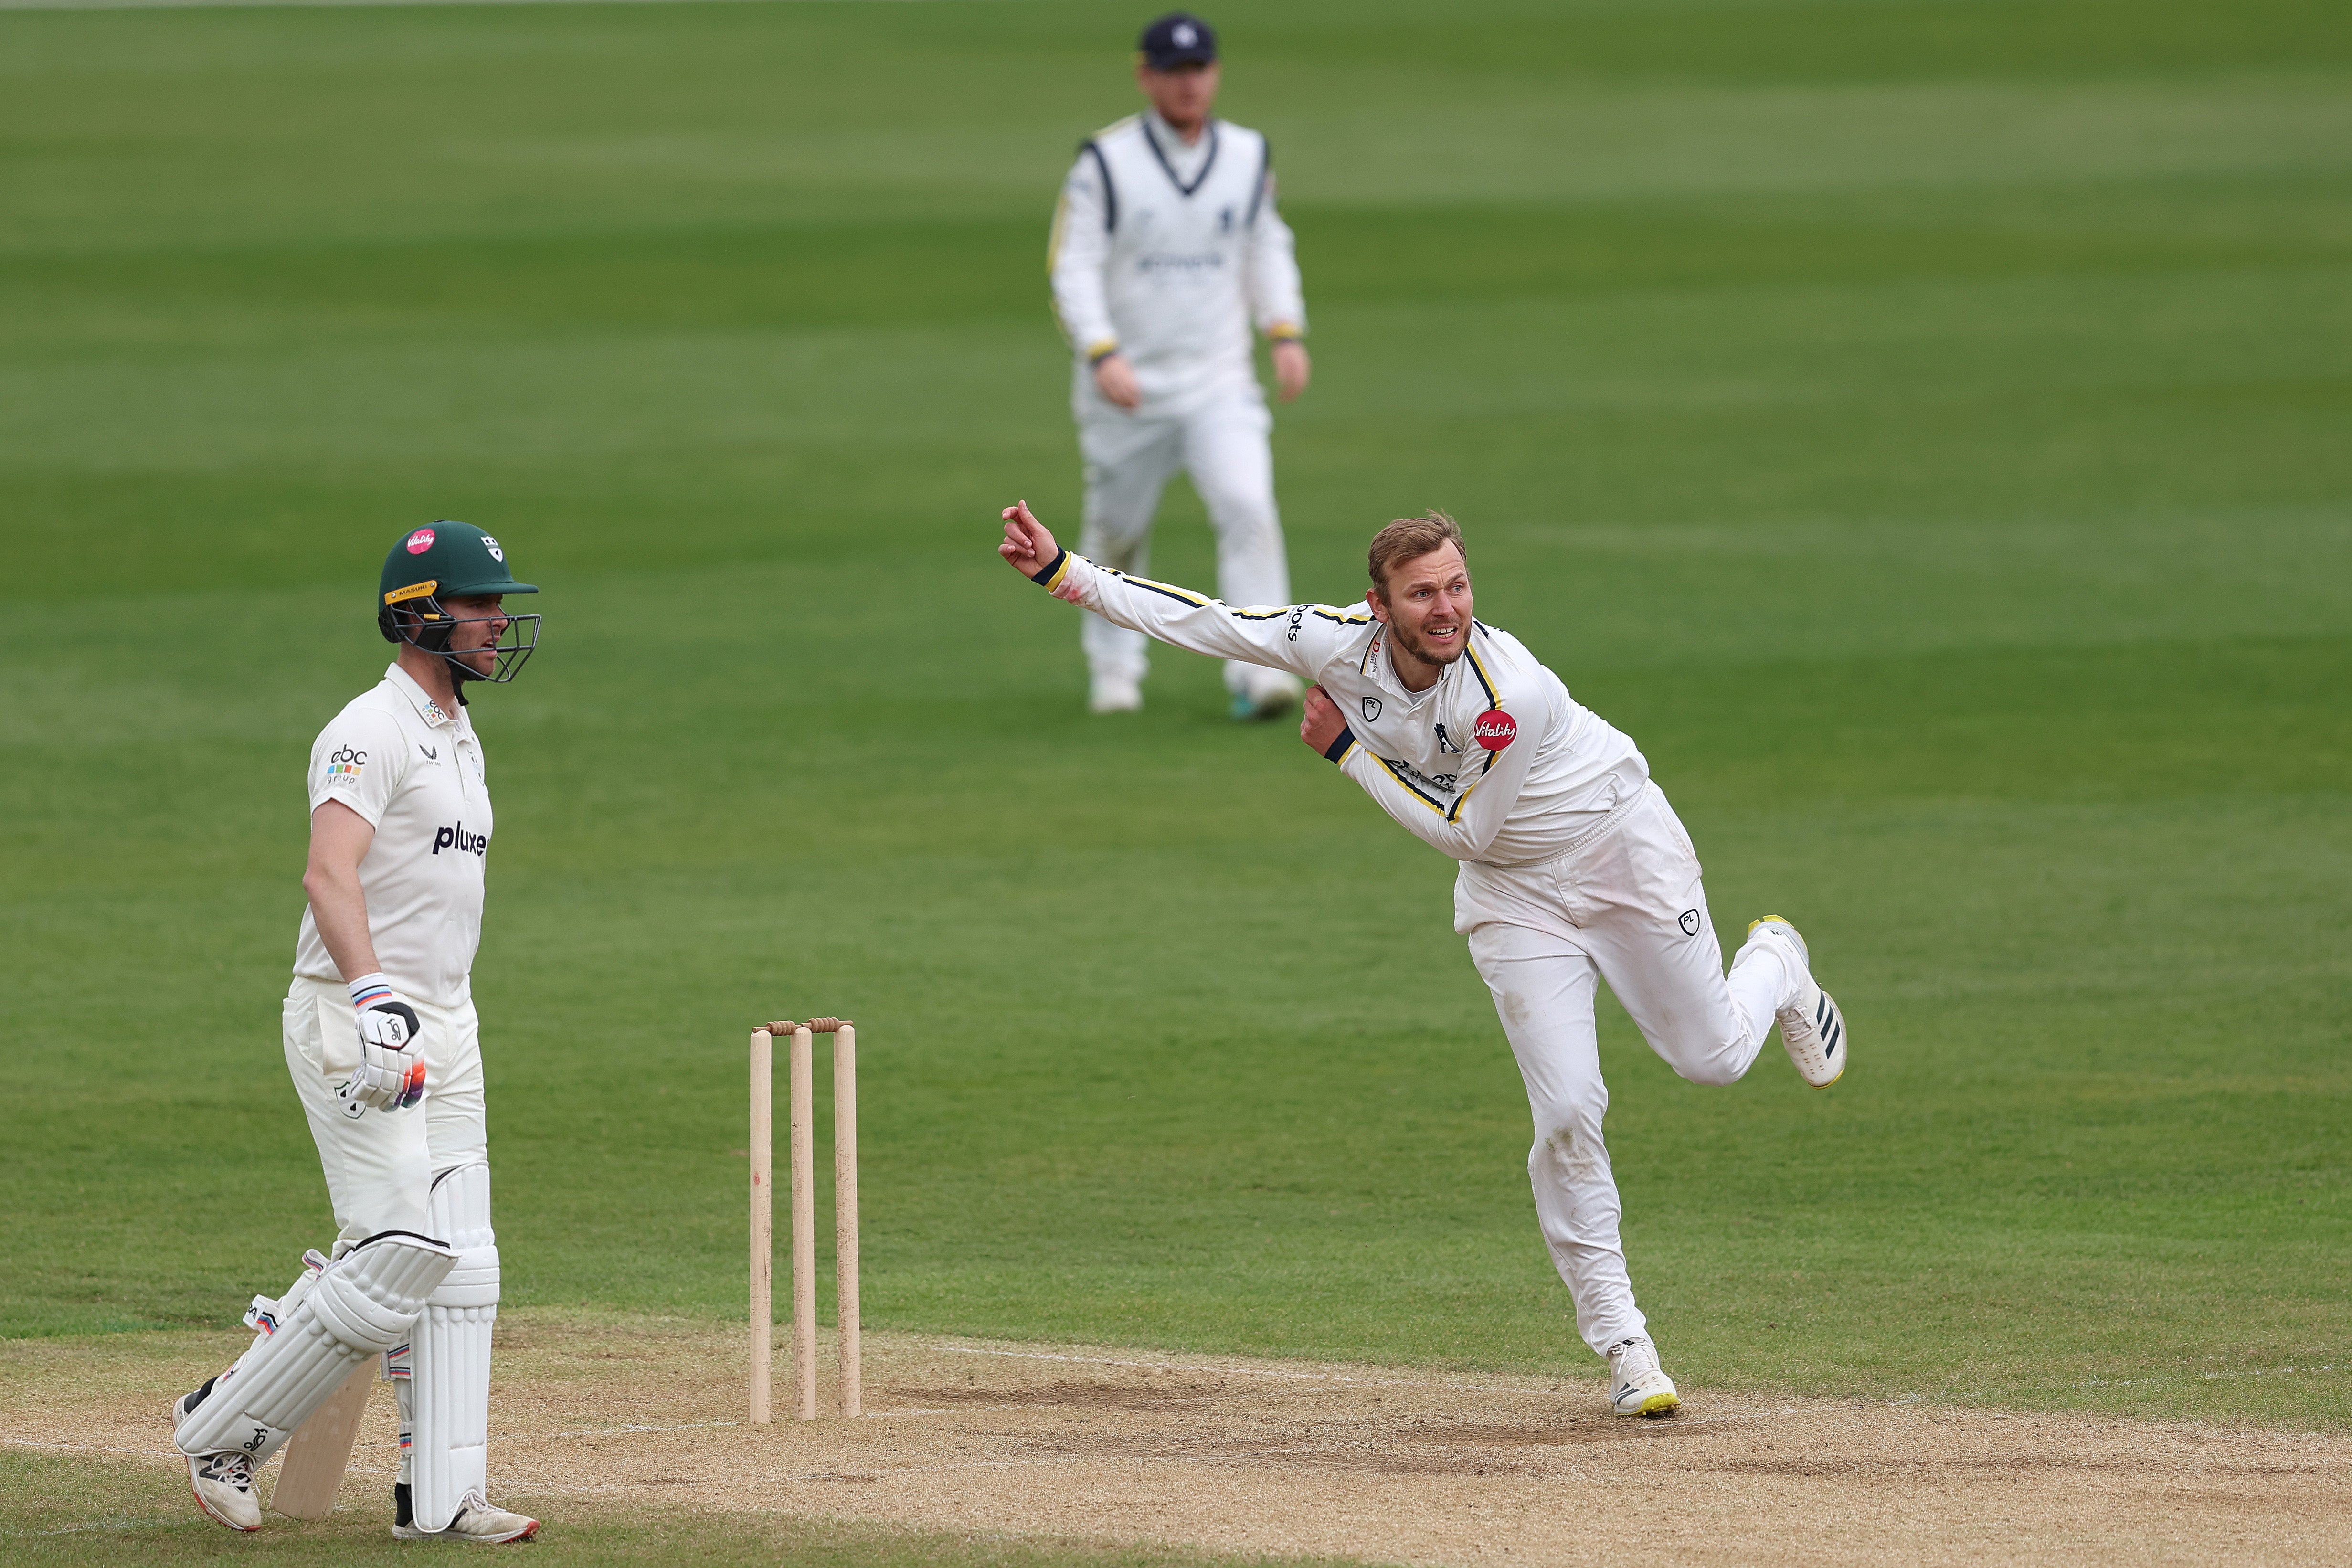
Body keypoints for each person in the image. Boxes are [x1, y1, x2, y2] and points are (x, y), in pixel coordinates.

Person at [996, 500, 1850, 1417]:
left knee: (1713, 1061)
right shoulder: (1331, 642)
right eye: (1421, 594)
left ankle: (1776, 960)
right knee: (1567, 1109)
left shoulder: (1503, 693)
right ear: (1378, 605)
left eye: (1457, 587)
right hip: (1516, 900)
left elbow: (1463, 829)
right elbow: (1208, 621)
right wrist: (1063, 573)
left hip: (1618, 851)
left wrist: (1344, 754)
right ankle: (1627, 1349)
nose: (1446, 609)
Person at [170, 522, 543, 1540]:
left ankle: (442, 1497)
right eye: (481, 605)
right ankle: (222, 1429)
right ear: (421, 612)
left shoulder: (460, 736)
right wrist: (376, 994)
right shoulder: (365, 730)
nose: (499, 621)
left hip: (449, 1020)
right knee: (393, 1251)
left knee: (464, 1259)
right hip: (355, 1014)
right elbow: (326, 872)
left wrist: (423, 1005)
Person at [1048, 11, 1311, 719]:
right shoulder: (1105, 161)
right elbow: (1072, 266)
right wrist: (1100, 350)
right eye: (1171, 71)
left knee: (1248, 504)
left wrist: (1283, 330)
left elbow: (1265, 246)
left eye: (1197, 70)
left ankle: (1261, 669)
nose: (1186, 83)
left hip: (1218, 378)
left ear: (1215, 74)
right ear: (1145, 76)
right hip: (1125, 386)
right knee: (1115, 531)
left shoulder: (1247, 154)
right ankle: (1114, 669)